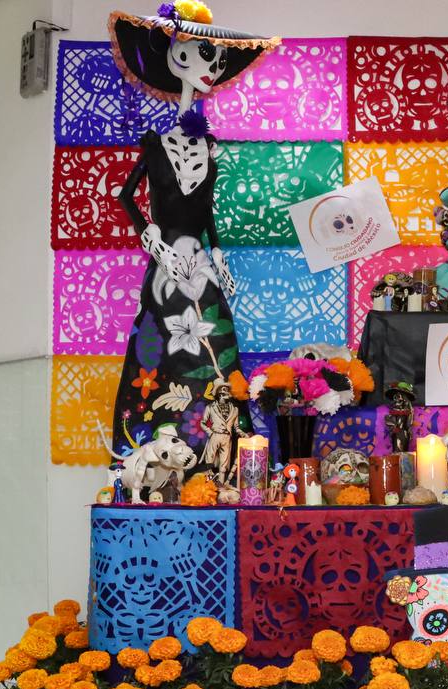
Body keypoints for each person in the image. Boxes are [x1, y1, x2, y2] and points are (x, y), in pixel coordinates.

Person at [105, 4, 279, 458]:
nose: (213, 67)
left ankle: (223, 455)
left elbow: (207, 213)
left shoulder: (209, 148)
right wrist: (151, 237)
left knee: (215, 347)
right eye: (206, 54)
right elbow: (126, 196)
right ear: (177, 54)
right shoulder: (156, 144)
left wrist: (218, 256)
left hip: (201, 267)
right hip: (166, 265)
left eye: (218, 59)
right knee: (159, 353)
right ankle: (148, 449)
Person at [199, 382, 244, 484]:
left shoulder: (234, 409)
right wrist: (210, 432)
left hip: (227, 437)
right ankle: (208, 484)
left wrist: (242, 433)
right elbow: (202, 423)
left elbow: (236, 427)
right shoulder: (210, 407)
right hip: (215, 434)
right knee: (209, 460)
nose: (226, 392)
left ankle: (221, 484)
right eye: (223, 390)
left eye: (227, 390)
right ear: (219, 394)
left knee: (224, 463)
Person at [384, 381, 416, 453]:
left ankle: (402, 457)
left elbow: (408, 423)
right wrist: (393, 427)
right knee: (397, 448)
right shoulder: (393, 411)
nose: (399, 399)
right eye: (396, 397)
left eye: (401, 396)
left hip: (404, 432)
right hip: (396, 432)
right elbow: (389, 420)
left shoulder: (408, 411)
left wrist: (408, 431)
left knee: (403, 448)